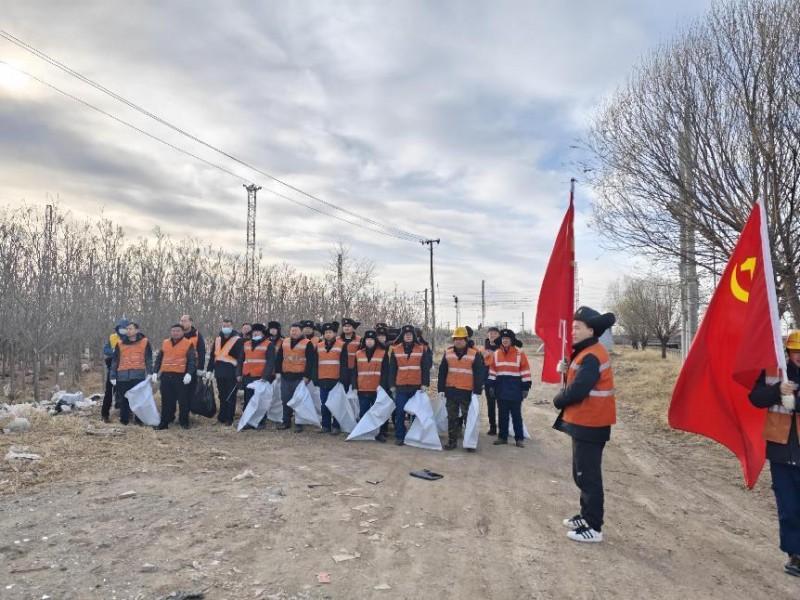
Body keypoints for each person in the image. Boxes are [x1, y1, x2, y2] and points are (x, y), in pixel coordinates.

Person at [552, 306, 617, 544]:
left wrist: (559, 399)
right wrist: (566, 369)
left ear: (591, 329)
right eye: (572, 327)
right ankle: (585, 514)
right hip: (584, 422)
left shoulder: (592, 354)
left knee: (588, 476)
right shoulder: (586, 351)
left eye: (577, 327)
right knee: (580, 473)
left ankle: (594, 526)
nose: (573, 331)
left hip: (591, 423)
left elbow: (579, 389)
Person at [749, 330, 800, 576]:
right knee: (788, 506)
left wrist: (795, 399)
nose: (799, 356)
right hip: (780, 450)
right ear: (788, 352)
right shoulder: (774, 370)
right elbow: (756, 398)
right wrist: (779, 389)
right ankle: (795, 555)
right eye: (796, 351)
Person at [438, 326, 485, 451]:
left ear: (466, 339)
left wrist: (477, 390)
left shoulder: (474, 354)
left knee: (468, 418)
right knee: (452, 418)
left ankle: (469, 443)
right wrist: (441, 389)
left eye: (461, 339)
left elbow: (479, 373)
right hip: (451, 390)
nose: (458, 341)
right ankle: (452, 442)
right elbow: (442, 372)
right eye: (456, 339)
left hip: (467, 391)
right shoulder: (447, 353)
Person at [389, 325, 432, 446]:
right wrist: (392, 384)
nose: (408, 336)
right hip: (401, 386)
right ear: (402, 336)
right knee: (400, 412)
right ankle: (400, 436)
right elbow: (392, 369)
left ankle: (414, 435)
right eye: (406, 335)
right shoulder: (396, 349)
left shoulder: (421, 349)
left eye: (410, 335)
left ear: (414, 336)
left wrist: (425, 383)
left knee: (416, 413)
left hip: (416, 386)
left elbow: (425, 368)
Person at [487, 329, 531, 448]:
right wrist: (491, 385)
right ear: (501, 341)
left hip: (516, 390)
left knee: (517, 416)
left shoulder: (520, 354)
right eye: (503, 339)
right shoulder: (496, 354)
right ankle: (502, 437)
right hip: (501, 389)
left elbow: (525, 371)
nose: (505, 340)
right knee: (502, 415)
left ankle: (519, 439)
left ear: (512, 341)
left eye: (507, 339)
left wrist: (525, 388)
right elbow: (492, 370)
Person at [152, 324, 197, 430]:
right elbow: (159, 358)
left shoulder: (188, 343)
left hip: (181, 376)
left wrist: (189, 373)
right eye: (173, 331)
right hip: (166, 376)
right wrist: (155, 371)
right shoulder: (165, 343)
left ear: (182, 332)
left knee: (183, 401)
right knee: (166, 401)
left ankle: (184, 422)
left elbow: (192, 360)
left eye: (177, 331)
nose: (175, 333)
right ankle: (164, 423)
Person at [109, 322, 153, 425]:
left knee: (138, 400)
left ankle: (139, 420)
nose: (128, 331)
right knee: (123, 399)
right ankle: (124, 421)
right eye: (127, 329)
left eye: (130, 329)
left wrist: (150, 372)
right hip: (122, 376)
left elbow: (148, 359)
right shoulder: (120, 343)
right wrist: (113, 375)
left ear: (137, 330)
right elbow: (115, 361)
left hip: (138, 375)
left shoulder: (144, 342)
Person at [275, 322, 316, 432]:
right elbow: (279, 358)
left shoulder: (307, 343)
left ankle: (299, 423)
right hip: (285, 376)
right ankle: (286, 421)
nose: (293, 332)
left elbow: (311, 362)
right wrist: (278, 372)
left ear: (301, 331)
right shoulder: (285, 342)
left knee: (299, 401)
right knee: (285, 400)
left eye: (296, 330)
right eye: (292, 330)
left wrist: (307, 376)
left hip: (300, 377)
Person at [353, 330, 390, 442]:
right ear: (365, 341)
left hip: (377, 389)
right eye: (368, 340)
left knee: (379, 413)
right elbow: (354, 371)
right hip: (362, 388)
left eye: (372, 340)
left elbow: (385, 372)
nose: (369, 342)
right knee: (363, 412)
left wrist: (382, 387)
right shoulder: (358, 353)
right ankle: (365, 431)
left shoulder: (383, 353)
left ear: (375, 341)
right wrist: (355, 386)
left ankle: (381, 433)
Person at [206, 318, 244, 426]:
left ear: (232, 327)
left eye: (227, 326)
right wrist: (209, 370)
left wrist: (239, 373)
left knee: (230, 397)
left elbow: (241, 358)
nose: (225, 328)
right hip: (219, 372)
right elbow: (214, 355)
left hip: (231, 372)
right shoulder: (218, 339)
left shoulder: (238, 340)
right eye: (224, 326)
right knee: (221, 396)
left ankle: (229, 418)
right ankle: (221, 417)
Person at [314, 321, 349, 434]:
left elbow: (344, 364)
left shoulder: (341, 345)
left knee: (336, 405)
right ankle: (325, 426)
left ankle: (336, 426)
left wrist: (342, 380)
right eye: (326, 332)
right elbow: (315, 364)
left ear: (334, 333)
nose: (328, 334)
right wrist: (315, 378)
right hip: (323, 379)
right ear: (323, 334)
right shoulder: (318, 346)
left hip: (336, 380)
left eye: (330, 332)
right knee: (324, 404)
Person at [241, 323, 276, 412]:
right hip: (248, 376)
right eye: (254, 332)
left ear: (263, 334)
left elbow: (270, 362)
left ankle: (260, 422)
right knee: (248, 399)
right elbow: (240, 360)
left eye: (258, 332)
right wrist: (238, 373)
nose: (255, 333)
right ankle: (247, 419)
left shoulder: (269, 344)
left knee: (260, 401)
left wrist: (265, 377)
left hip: (261, 377)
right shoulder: (246, 344)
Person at [101, 318, 128, 423]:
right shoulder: (113, 337)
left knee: (124, 393)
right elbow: (106, 350)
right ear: (118, 328)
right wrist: (115, 353)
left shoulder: (130, 338)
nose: (124, 330)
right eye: (122, 328)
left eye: (126, 328)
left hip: (125, 369)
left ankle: (124, 414)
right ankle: (104, 414)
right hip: (112, 368)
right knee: (108, 392)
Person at [180, 314, 205, 415]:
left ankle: (191, 412)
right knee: (181, 393)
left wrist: (200, 368)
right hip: (179, 368)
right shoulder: (178, 334)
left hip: (193, 368)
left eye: (184, 321)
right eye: (181, 321)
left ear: (190, 322)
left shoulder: (197, 335)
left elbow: (202, 352)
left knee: (192, 392)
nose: (182, 323)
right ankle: (183, 412)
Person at [483, 326, 501, 435]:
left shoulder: (503, 348)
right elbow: (481, 365)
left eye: (495, 333)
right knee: (490, 405)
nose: (492, 335)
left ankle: (504, 427)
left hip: (501, 381)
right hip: (488, 381)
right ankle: (492, 427)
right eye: (490, 333)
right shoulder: (484, 349)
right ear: (487, 335)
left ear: (499, 335)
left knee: (502, 405)